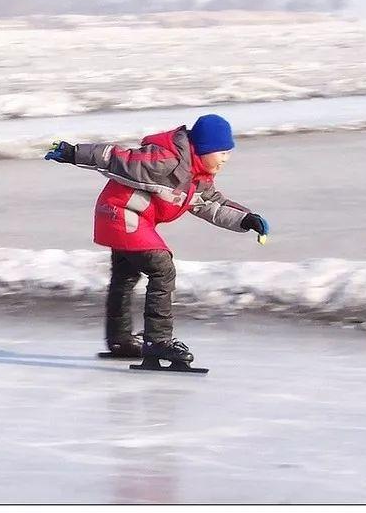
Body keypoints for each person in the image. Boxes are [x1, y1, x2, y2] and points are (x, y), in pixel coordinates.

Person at [45, 114, 268, 365]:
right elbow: (117, 157)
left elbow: (212, 205)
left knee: (126, 275)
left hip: (133, 217)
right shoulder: (165, 159)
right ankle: (158, 342)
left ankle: (120, 340)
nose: (226, 159)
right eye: (222, 152)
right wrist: (73, 153)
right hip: (120, 213)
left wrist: (247, 219)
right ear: (204, 148)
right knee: (163, 268)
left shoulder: (197, 177)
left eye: (229, 153)